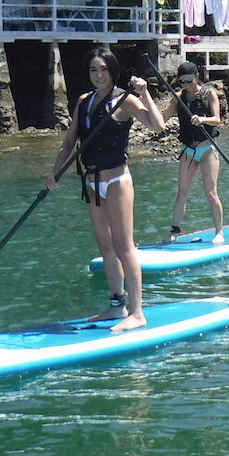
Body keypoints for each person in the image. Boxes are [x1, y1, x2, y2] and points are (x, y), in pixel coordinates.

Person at [45, 47, 164, 331]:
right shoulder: (84, 101)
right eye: (93, 70)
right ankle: (116, 306)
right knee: (105, 247)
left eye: (104, 70)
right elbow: (69, 141)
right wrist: (54, 173)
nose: (99, 75)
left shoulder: (126, 100)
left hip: (117, 181)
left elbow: (158, 126)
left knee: (124, 246)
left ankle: (137, 312)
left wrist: (144, 92)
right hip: (92, 181)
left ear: (113, 71)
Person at [160, 61, 225, 245]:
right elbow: (161, 119)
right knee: (182, 192)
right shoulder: (178, 98)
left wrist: (203, 119)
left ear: (196, 76)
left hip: (207, 149)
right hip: (188, 150)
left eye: (189, 81)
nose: (186, 85)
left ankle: (219, 232)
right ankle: (175, 231)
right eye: (182, 82)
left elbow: (217, 119)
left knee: (210, 192)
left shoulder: (209, 93)